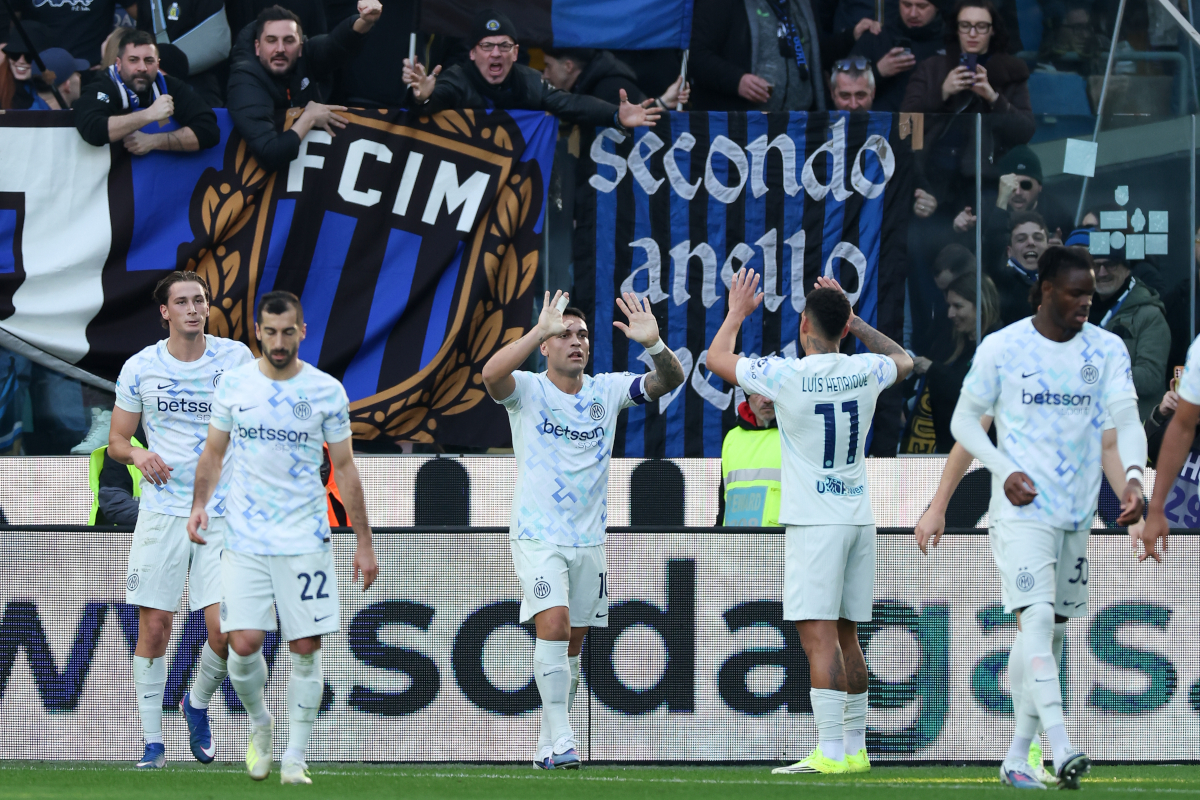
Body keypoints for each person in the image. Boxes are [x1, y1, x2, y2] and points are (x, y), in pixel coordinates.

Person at [947, 245, 1146, 788]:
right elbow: (964, 422)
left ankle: (1016, 756)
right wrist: (1003, 468)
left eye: (1090, 294)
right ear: (1046, 290)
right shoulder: (1003, 347)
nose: (1086, 301)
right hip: (1020, 512)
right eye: (1076, 292)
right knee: (1034, 620)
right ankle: (1060, 746)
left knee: (1049, 634)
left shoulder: (1106, 349)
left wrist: (1134, 478)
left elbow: (1126, 422)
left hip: (1076, 513)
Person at [707, 270, 913, 775]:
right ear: (844, 328)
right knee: (847, 635)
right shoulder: (865, 369)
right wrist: (855, 322)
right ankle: (856, 749)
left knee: (819, 637)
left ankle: (831, 751)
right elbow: (905, 359)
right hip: (858, 519)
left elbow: (716, 359)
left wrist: (736, 312)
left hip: (815, 523)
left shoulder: (787, 376)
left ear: (803, 325)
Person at [480, 289, 685, 769]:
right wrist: (538, 329)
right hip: (537, 535)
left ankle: (547, 747)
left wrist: (654, 345)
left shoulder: (606, 391)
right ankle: (566, 738)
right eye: (564, 334)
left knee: (571, 646)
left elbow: (670, 379)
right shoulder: (528, 390)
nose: (576, 341)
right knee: (552, 624)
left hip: (589, 541)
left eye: (582, 335)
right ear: (546, 346)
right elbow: (490, 375)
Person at [187, 290, 379, 785]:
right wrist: (199, 504)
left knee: (306, 646)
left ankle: (295, 757)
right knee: (242, 643)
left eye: (287, 332)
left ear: (302, 332)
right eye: (270, 332)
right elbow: (212, 454)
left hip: (305, 539)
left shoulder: (325, 391)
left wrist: (363, 541)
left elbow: (345, 468)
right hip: (245, 537)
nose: (278, 342)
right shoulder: (235, 386)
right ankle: (261, 723)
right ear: (258, 331)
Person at [108, 271, 255, 769]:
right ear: (165, 312)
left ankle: (196, 703)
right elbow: (117, 441)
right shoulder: (140, 367)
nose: (193, 309)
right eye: (183, 302)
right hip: (162, 513)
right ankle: (153, 743)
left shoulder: (236, 359)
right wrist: (138, 454)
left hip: (221, 513)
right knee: (155, 628)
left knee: (227, 633)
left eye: (200, 300)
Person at [404, 11, 660, 133]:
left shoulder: (529, 81)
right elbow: (426, 107)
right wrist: (423, 97)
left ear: (516, 53)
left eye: (504, 46)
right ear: (472, 53)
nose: (496, 53)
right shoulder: (457, 77)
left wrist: (615, 115)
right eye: (487, 46)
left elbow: (571, 103)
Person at [901, 0, 1034, 212]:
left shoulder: (1012, 72)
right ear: (956, 29)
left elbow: (1025, 132)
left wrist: (993, 98)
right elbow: (904, 127)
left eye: (981, 26)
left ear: (992, 30)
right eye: (965, 26)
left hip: (984, 180)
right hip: (931, 175)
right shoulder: (932, 67)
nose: (972, 33)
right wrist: (943, 92)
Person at [226, 1, 382, 173]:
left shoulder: (306, 55)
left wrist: (364, 21)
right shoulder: (245, 79)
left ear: (300, 47)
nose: (280, 49)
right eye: (271, 41)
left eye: (289, 41)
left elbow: (335, 45)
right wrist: (309, 118)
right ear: (257, 47)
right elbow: (269, 155)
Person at [689, 0, 875, 112]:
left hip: (798, 125)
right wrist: (737, 81)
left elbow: (813, 57)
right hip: (743, 128)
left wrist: (850, 37)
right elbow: (696, 56)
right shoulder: (720, 3)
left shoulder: (802, 4)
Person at [73, 29, 220, 154]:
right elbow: (92, 130)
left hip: (160, 175)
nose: (142, 68)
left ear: (157, 64)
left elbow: (209, 130)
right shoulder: (104, 85)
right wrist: (149, 114)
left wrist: (154, 141)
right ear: (119, 64)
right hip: (112, 177)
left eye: (149, 61)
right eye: (133, 60)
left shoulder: (167, 85)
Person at [829, 58, 938, 221]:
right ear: (832, 94)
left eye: (860, 95)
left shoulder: (892, 134)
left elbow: (916, 181)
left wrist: (925, 200)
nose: (853, 104)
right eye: (845, 95)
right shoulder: (813, 135)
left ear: (873, 93)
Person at [911, 271, 1000, 453]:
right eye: (949, 306)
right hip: (947, 449)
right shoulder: (951, 342)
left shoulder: (998, 345)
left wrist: (933, 369)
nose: (950, 314)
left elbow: (975, 392)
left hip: (980, 455)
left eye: (958, 306)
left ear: (980, 306)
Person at [1091, 240, 1170, 421]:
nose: (1102, 272)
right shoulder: (1079, 310)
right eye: (1096, 265)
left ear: (1127, 269)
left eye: (1110, 265)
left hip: (1130, 422)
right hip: (1088, 422)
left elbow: (1151, 378)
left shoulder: (1150, 315)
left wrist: (1096, 368)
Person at [958, 147, 1072, 268]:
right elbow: (976, 257)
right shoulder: (985, 209)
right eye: (1011, 186)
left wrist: (1063, 254)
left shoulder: (1057, 214)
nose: (1017, 192)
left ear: (1040, 187)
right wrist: (959, 230)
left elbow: (1078, 259)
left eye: (1025, 185)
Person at [852, 0, 945, 112]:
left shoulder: (950, 41)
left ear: (937, 7)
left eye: (921, 6)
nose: (913, 14)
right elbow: (845, 86)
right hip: (882, 119)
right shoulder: (877, 36)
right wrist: (877, 71)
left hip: (934, 120)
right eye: (907, 5)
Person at [541, 47, 688, 110]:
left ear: (568, 66)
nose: (545, 75)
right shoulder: (588, 85)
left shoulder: (609, 90)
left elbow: (631, 127)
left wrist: (661, 103)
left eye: (548, 66)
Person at [719, 393, 781, 527]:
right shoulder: (732, 437)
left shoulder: (796, 437)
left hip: (781, 537)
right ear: (748, 396)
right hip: (734, 537)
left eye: (772, 392)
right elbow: (724, 499)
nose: (767, 399)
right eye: (759, 392)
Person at [11, 0, 117, 67]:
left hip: (89, 68)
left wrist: (110, 61)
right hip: (36, 67)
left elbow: (126, 31)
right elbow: (10, 23)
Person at [991, 211, 1050, 326]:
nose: (1031, 242)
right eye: (1021, 239)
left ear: (1048, 247)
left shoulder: (1062, 283)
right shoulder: (998, 285)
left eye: (1038, 238)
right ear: (1009, 251)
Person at [0, 21, 52, 109]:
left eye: (29, 57)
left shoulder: (56, 87)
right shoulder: (2, 87)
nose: (21, 61)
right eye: (15, 54)